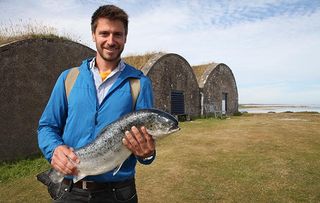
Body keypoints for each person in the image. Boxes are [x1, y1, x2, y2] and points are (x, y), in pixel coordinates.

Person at [38, 5, 155, 203]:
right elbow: (47, 126)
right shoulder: (69, 78)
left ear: (125, 37)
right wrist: (54, 149)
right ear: (93, 35)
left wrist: (147, 155)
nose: (111, 41)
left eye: (117, 34)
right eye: (104, 33)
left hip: (118, 194)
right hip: (70, 191)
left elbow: (146, 139)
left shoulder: (139, 84)